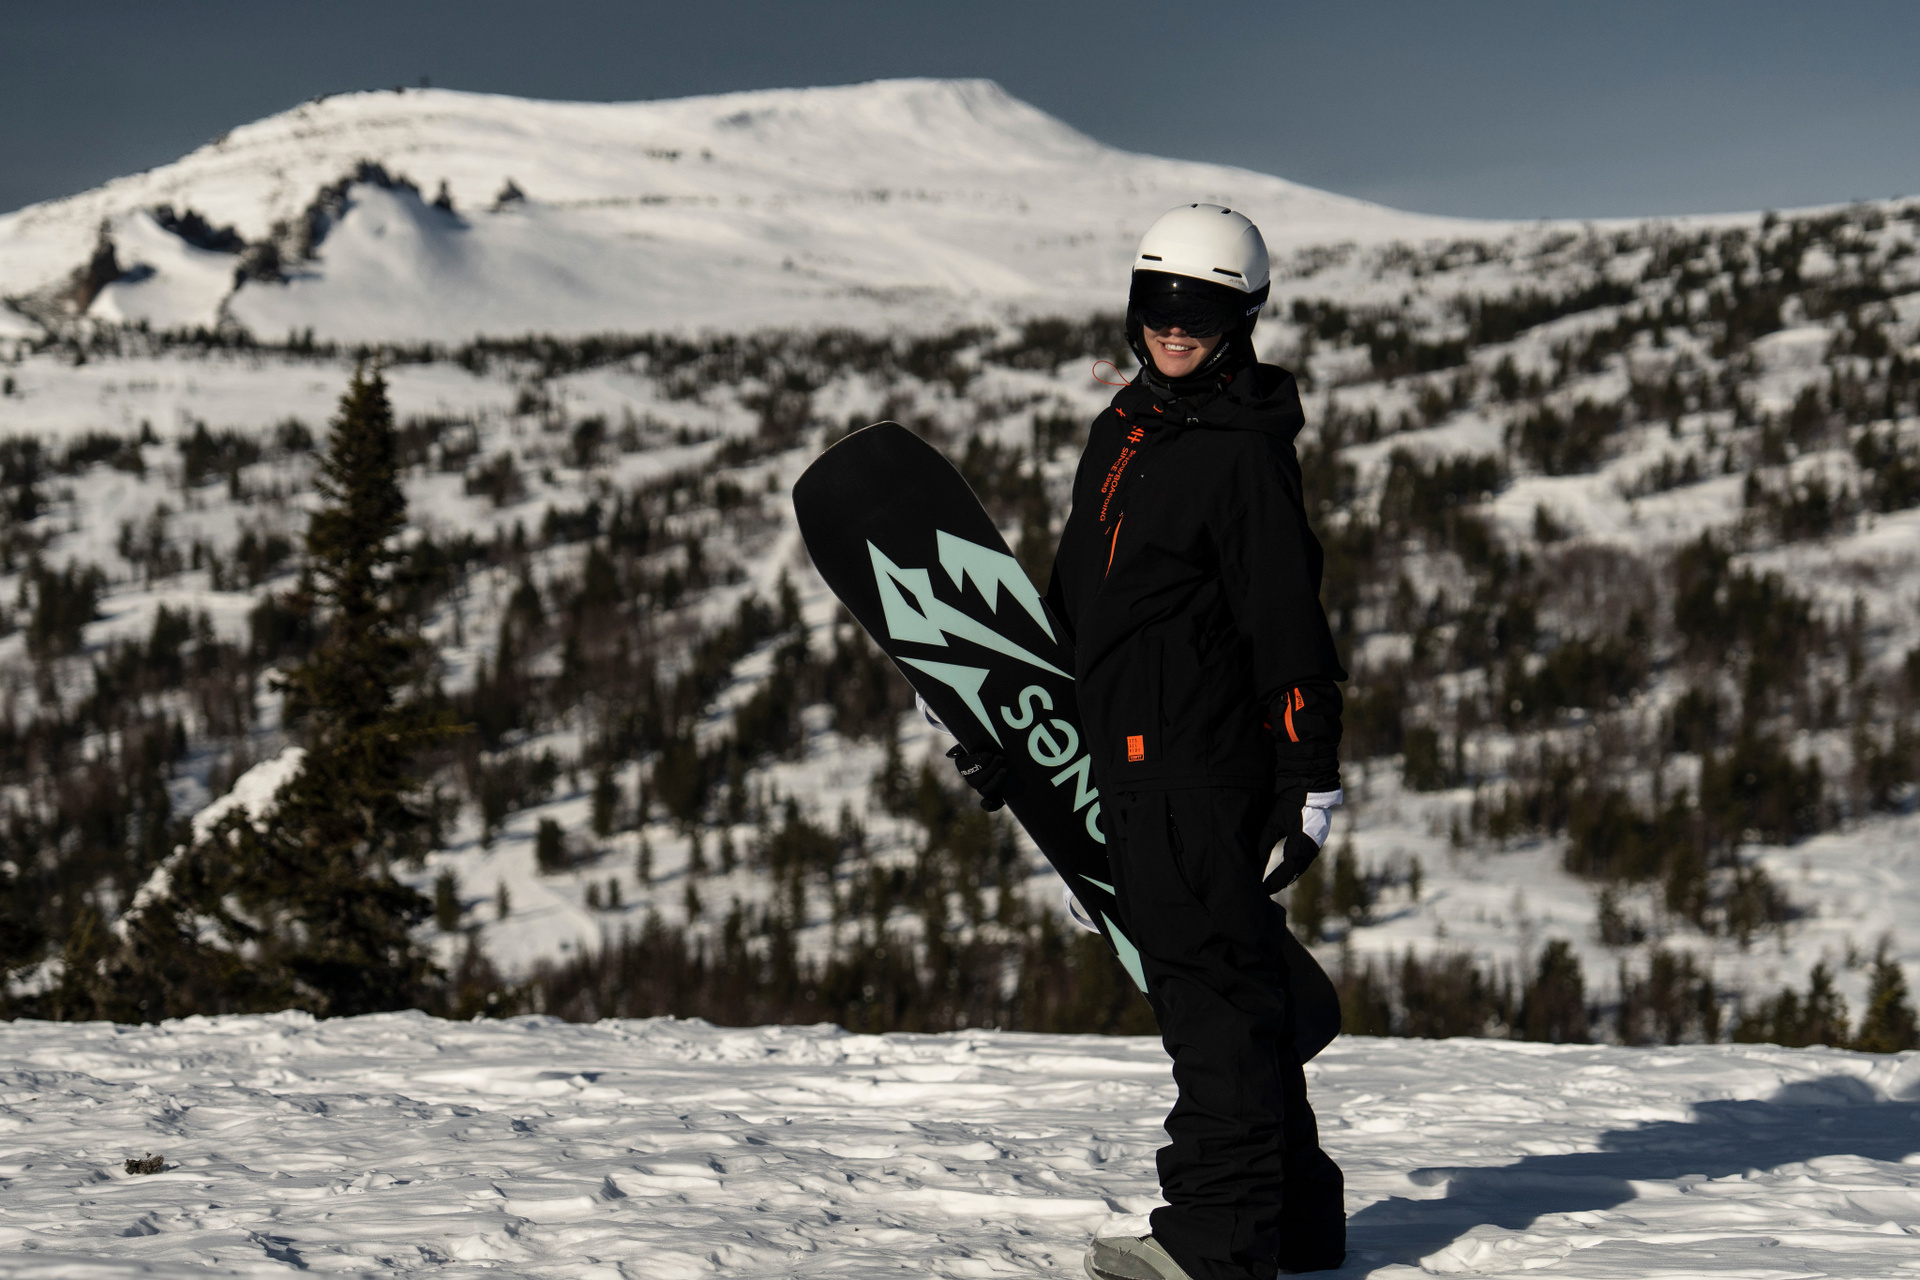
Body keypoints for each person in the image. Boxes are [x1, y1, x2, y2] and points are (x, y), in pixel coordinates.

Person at [949, 205, 1349, 1279]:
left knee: (1207, 997)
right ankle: (1294, 1219)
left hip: (1197, 768)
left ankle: (1216, 1243)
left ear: (1243, 319)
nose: (1174, 327)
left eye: (1201, 311)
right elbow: (1077, 606)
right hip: (1129, 758)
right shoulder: (1123, 429)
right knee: (1235, 983)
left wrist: (1309, 772)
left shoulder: (1241, 454)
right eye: (1158, 304)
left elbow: (1287, 623)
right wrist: (1012, 721)